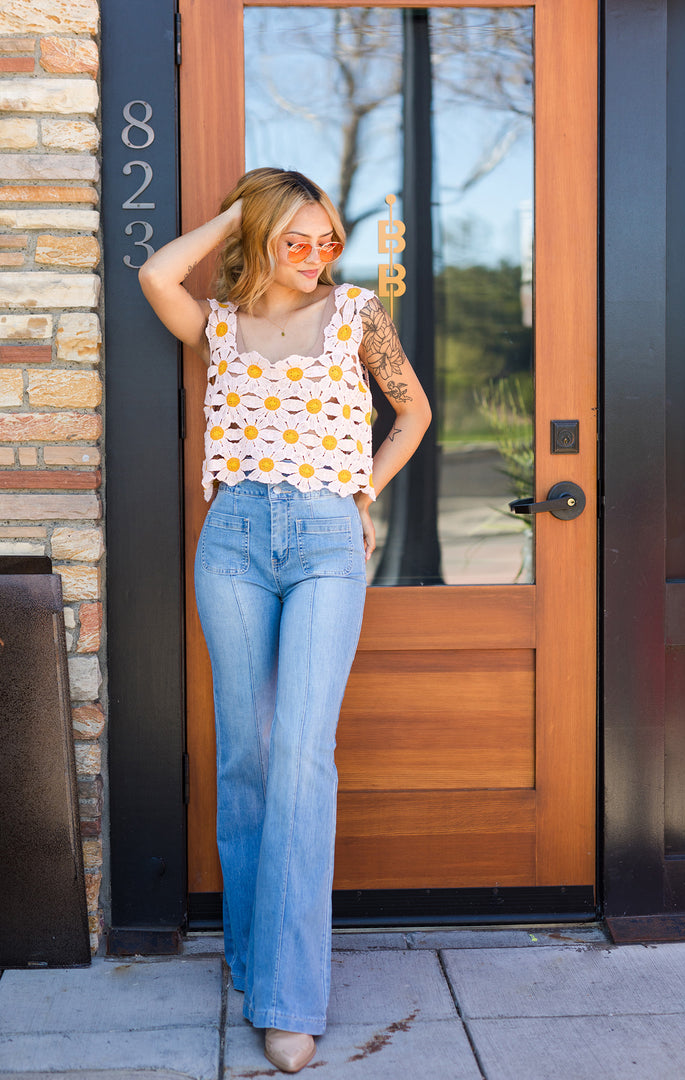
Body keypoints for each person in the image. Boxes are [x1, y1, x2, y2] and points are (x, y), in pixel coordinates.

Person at [139, 167, 431, 1073]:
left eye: (328, 241)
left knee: (304, 755)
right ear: (260, 241)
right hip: (231, 539)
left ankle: (289, 995)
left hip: (323, 539)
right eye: (294, 241)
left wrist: (361, 492)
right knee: (249, 753)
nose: (314, 258)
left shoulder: (356, 316)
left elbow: (413, 410)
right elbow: (157, 275)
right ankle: (251, 947)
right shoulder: (218, 323)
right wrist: (240, 214)